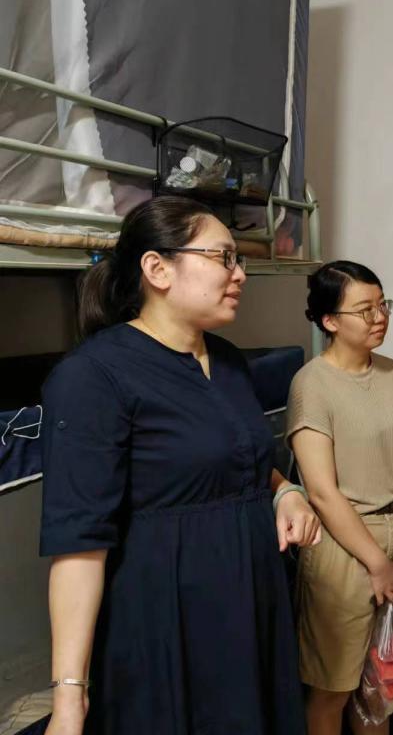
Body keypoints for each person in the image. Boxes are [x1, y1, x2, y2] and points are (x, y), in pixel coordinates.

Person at [40, 196, 320, 735]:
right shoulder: (93, 376)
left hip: (253, 606)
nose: (240, 274)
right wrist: (69, 697)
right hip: (167, 623)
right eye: (224, 257)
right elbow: (79, 544)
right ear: (157, 268)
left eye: (238, 260)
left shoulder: (229, 361)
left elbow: (235, 461)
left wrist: (285, 490)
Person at [288, 261, 393, 735]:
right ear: (330, 321)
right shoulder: (311, 385)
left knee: (382, 686)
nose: (380, 317)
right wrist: (377, 562)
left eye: (382, 305)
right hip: (346, 547)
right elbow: (322, 493)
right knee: (334, 689)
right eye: (365, 310)